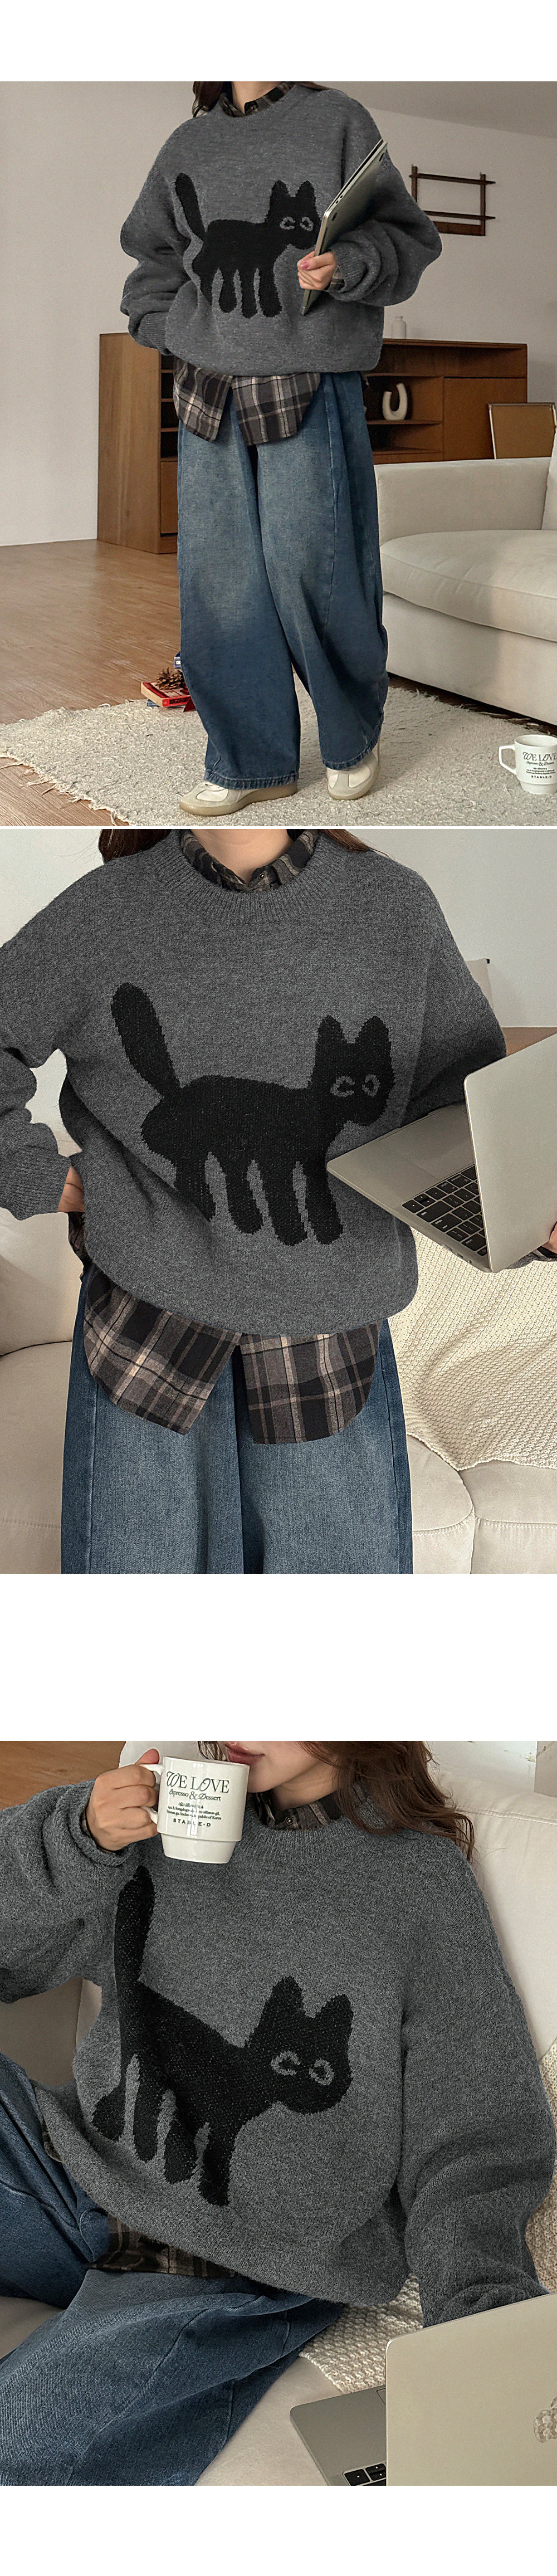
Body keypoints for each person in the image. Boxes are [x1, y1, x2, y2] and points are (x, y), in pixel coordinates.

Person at [0, 1736, 554, 2487]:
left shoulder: (419, 1886)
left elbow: (473, 2127)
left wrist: (485, 2324)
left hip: (229, 2267)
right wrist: (76, 1836)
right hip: (67, 2186)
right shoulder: (159, 1822)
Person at [0, 824, 509, 1574]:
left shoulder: (394, 908)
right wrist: (35, 1176)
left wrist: (521, 1211)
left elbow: (467, 1106)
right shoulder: (104, 912)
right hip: (145, 1322)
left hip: (330, 1331)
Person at [120, 80, 442, 813]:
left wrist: (347, 264)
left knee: (315, 565)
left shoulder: (337, 121)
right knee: (221, 581)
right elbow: (154, 260)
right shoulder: (188, 143)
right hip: (208, 385)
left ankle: (351, 737)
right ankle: (249, 761)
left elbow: (408, 236)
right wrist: (171, 328)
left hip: (311, 376)